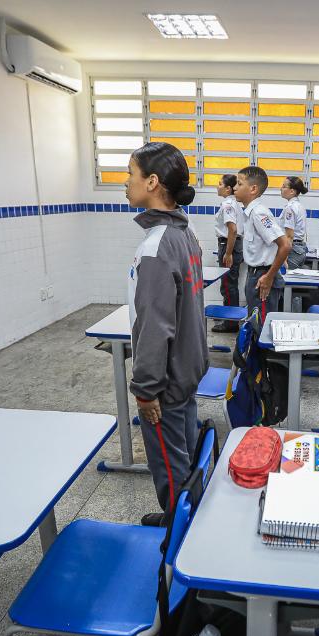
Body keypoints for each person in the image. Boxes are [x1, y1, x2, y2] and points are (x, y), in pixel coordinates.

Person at [124, 142, 209, 524]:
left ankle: (178, 532)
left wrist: (146, 389)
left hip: (165, 382)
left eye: (131, 174)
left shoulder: (157, 245)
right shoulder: (184, 234)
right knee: (185, 458)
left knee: (172, 471)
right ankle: (185, 517)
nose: (126, 183)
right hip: (185, 371)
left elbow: (156, 326)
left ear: (152, 182)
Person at [235, 166, 291, 319]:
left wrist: (269, 277)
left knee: (261, 325)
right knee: (254, 322)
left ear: (253, 189)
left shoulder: (259, 213)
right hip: (255, 273)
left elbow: (285, 245)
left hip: (263, 275)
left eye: (239, 184)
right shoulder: (251, 212)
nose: (234, 188)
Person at [212, 174, 243, 332]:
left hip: (228, 244)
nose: (217, 187)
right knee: (230, 283)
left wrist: (228, 253)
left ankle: (230, 323)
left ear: (228, 188)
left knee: (228, 285)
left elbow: (233, 230)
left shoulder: (228, 205)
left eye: (220, 184)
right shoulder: (233, 203)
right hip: (231, 244)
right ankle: (228, 315)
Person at [280, 176, 309, 269]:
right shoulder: (299, 206)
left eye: (284, 186)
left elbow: (289, 236)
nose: (281, 188)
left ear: (292, 191)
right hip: (299, 248)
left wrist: (284, 257)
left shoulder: (290, 208)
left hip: (292, 249)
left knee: (286, 276)